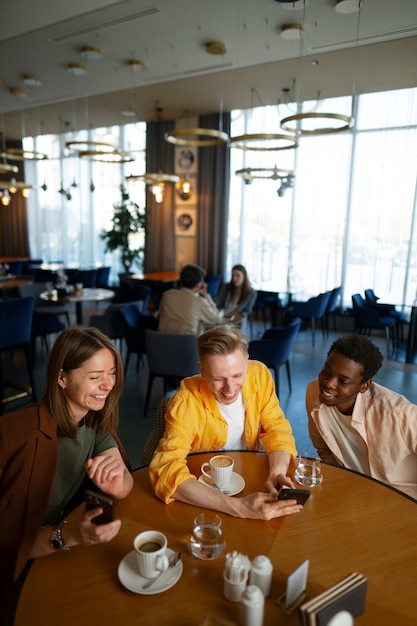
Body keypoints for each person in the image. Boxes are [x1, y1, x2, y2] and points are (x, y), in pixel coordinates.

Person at [0, 326, 133, 624]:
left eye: (111, 372)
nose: (108, 384)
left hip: (66, 547)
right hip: (20, 563)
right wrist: (69, 535)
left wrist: (118, 481)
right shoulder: (12, 432)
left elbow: (124, 482)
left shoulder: (94, 422)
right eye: (95, 376)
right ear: (61, 377)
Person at [149, 326, 302, 520]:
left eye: (237, 375)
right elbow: (165, 468)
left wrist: (276, 473)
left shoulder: (260, 375)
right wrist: (239, 508)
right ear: (202, 371)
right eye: (218, 379)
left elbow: (277, 429)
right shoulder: (185, 401)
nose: (230, 389)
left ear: (246, 361)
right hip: (204, 493)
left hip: (249, 479)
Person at [306, 334, 417, 500]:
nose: (329, 383)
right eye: (326, 371)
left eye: (343, 381)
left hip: (402, 500)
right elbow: (324, 449)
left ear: (364, 386)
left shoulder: (399, 413)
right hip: (354, 494)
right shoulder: (314, 391)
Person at [157, 264, 222, 335]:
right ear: (199, 284)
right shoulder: (199, 302)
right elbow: (217, 318)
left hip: (162, 343)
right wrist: (206, 295)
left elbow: (159, 315)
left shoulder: (167, 295)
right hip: (188, 345)